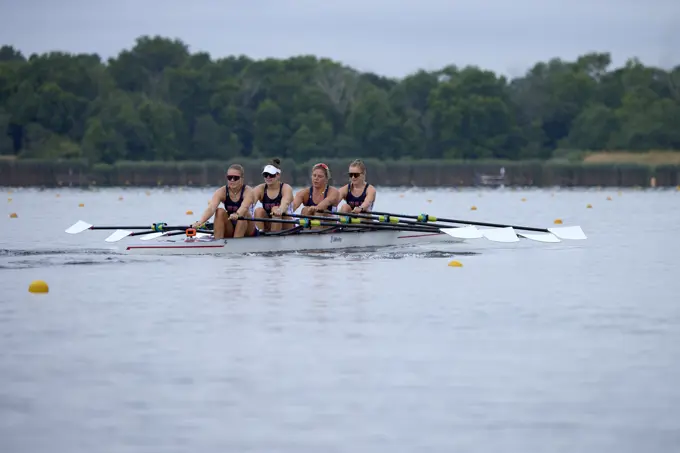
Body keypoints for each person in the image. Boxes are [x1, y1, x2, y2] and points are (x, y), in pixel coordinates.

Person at [192, 164, 257, 238]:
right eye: (229, 177)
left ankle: (237, 243)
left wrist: (237, 214)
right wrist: (200, 222)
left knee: (243, 214)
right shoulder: (221, 192)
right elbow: (211, 208)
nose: (232, 180)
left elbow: (244, 207)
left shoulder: (248, 191)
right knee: (219, 211)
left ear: (242, 179)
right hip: (230, 226)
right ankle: (218, 242)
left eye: (235, 178)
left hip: (248, 228)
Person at [252, 158, 295, 232]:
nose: (268, 177)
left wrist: (280, 210)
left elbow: (285, 202)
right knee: (258, 210)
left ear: (278, 175)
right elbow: (250, 203)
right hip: (269, 223)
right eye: (266, 175)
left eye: (271, 175)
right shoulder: (260, 189)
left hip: (286, 223)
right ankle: (260, 236)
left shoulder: (286, 188)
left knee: (275, 209)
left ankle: (274, 237)